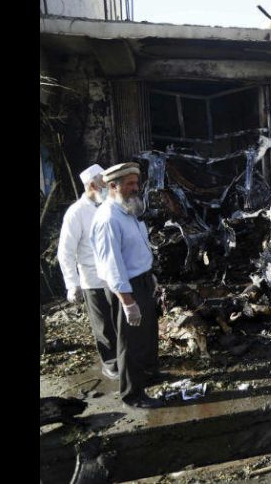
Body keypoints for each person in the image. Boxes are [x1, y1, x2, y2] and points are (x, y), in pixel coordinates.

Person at [90, 162, 162, 409]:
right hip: (126, 286)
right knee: (130, 341)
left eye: (136, 182)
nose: (135, 188)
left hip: (142, 280)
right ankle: (133, 395)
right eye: (129, 184)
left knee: (148, 333)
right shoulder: (108, 218)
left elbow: (137, 250)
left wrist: (150, 276)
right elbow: (112, 265)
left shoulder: (128, 210)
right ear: (112, 186)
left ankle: (150, 375)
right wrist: (127, 302)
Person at [57, 164, 119, 380]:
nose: (108, 186)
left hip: (115, 277)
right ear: (92, 184)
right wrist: (71, 284)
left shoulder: (109, 206)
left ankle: (124, 358)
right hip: (92, 279)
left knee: (118, 321)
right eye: (103, 182)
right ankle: (110, 363)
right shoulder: (76, 212)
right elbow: (65, 251)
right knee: (102, 326)